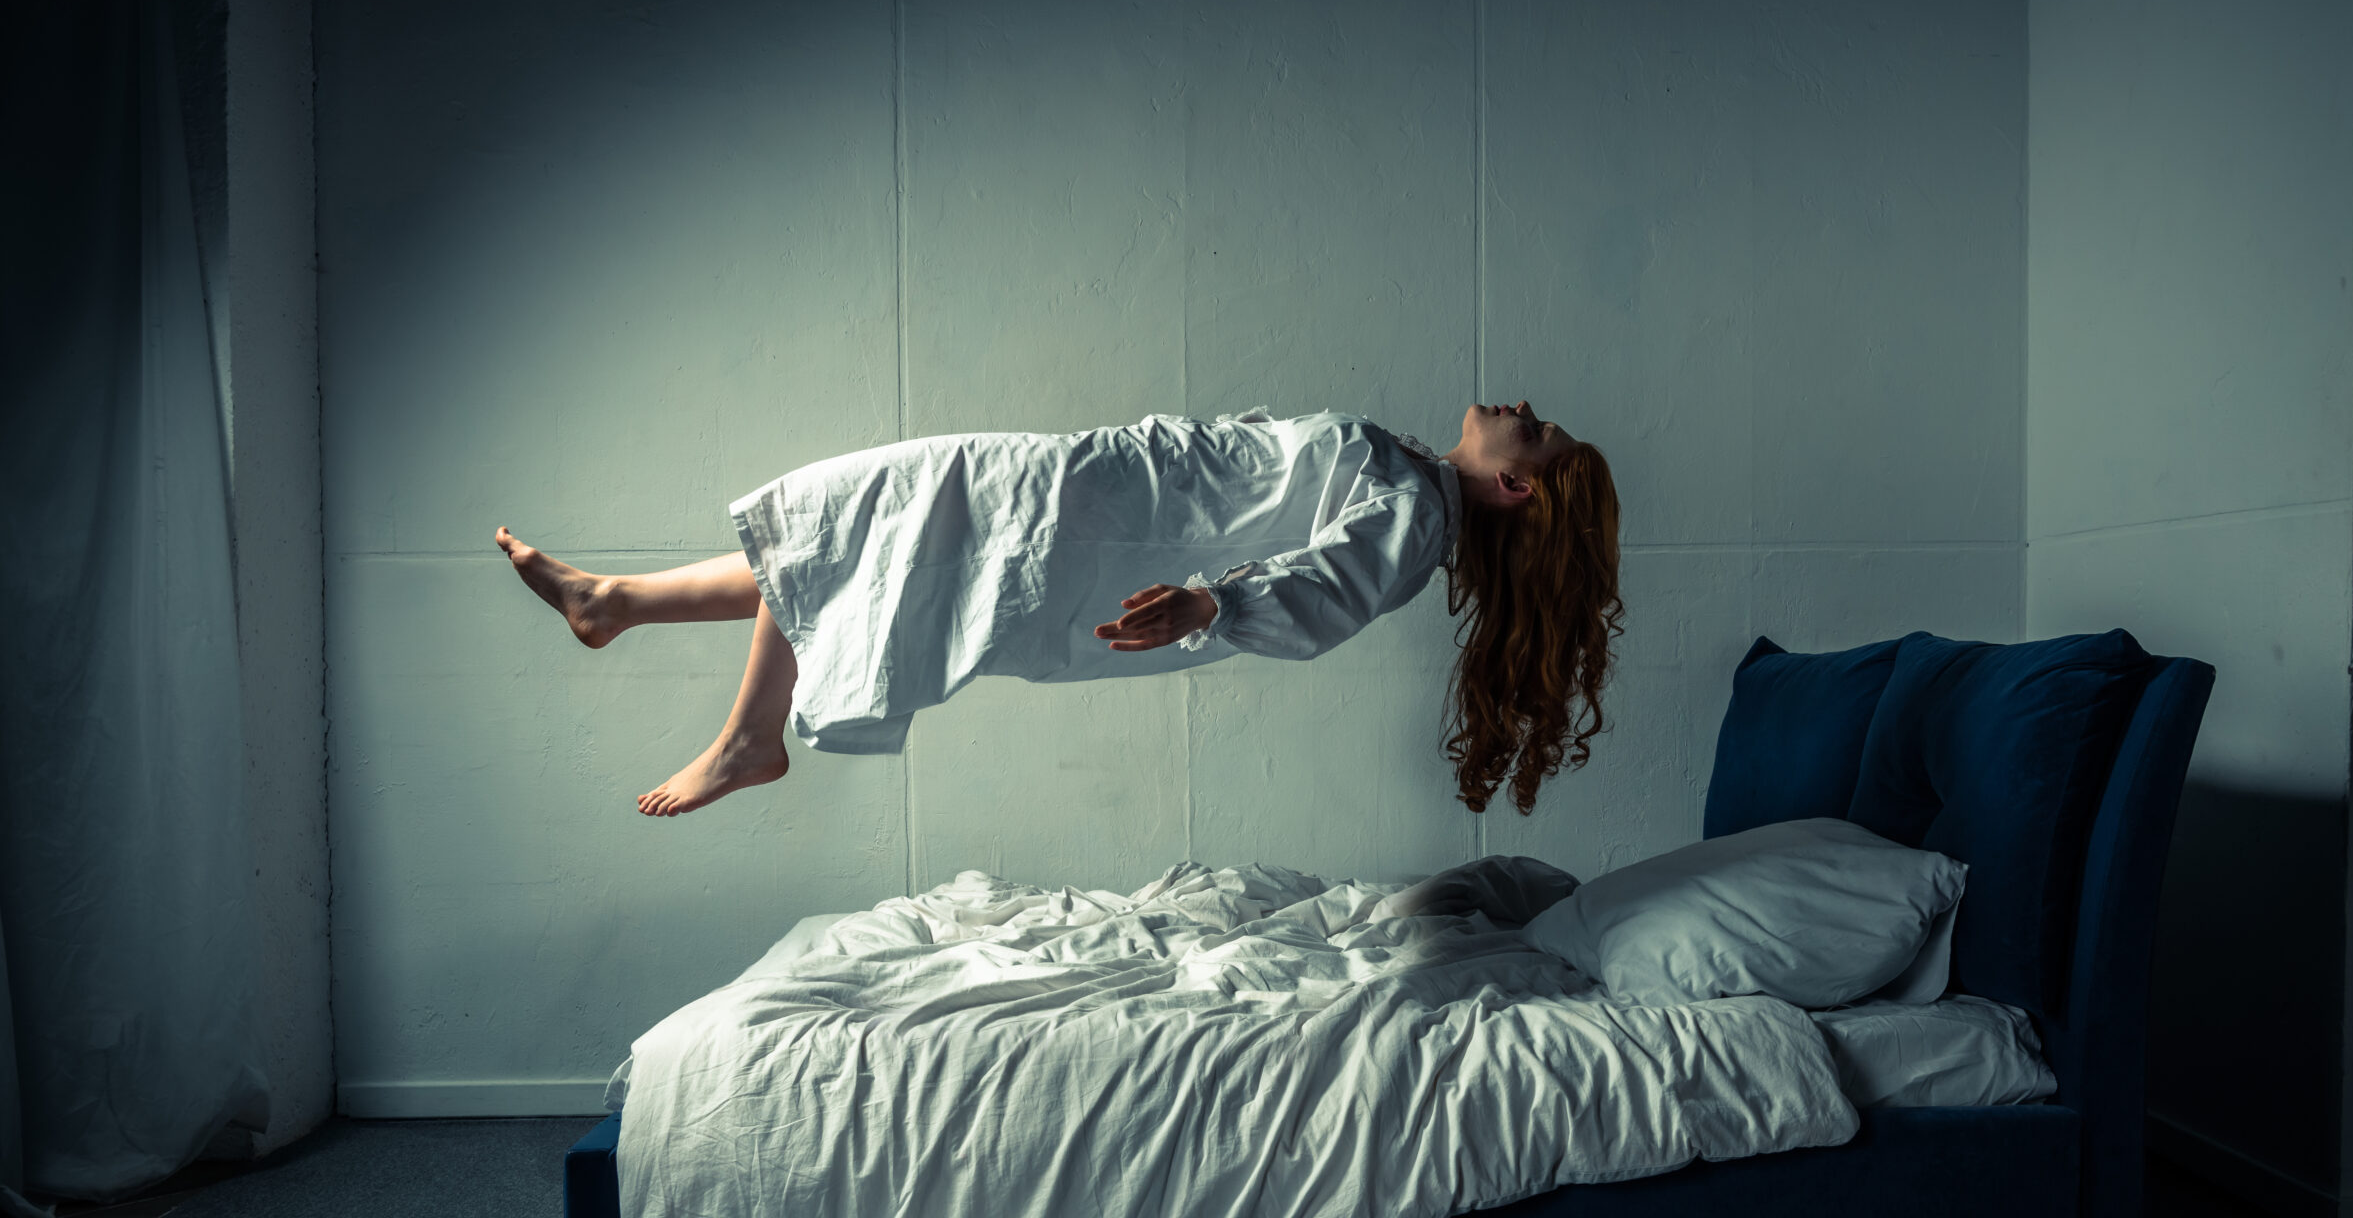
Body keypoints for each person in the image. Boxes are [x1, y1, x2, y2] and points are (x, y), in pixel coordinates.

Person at [496, 402, 1621, 819]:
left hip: (1082, 531)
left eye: (1542, 434)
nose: (1527, 410)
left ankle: (746, 734)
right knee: (859, 534)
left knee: (867, 523)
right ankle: (616, 603)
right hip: (1079, 497)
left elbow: (1326, 592)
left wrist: (1209, 604)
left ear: (1518, 487)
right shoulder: (1418, 484)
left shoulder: (1418, 513)